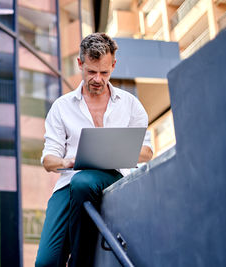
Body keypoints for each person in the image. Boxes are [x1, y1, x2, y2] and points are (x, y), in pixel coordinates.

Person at [35, 33, 153, 267]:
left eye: (104, 72)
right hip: (69, 182)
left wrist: (113, 152)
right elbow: (49, 161)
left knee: (84, 182)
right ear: (80, 63)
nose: (98, 79)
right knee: (45, 263)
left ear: (113, 66)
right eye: (91, 72)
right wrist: (70, 161)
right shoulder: (61, 107)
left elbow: (147, 152)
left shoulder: (131, 105)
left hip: (113, 176)